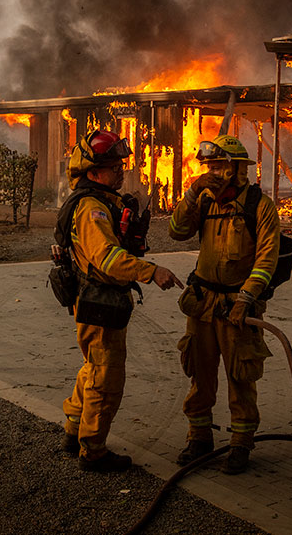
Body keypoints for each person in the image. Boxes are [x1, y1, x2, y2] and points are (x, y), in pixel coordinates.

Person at [59, 129, 183, 473]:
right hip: (99, 304)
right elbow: (108, 259)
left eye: (121, 165)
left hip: (96, 302)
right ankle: (93, 450)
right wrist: (150, 271)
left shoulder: (100, 203)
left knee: (92, 368)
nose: (121, 172)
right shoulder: (91, 210)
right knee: (106, 379)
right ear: (93, 173)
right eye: (114, 167)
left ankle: (73, 430)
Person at [168, 134, 281, 474]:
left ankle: (241, 443)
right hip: (202, 303)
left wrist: (247, 298)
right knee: (200, 375)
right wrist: (191, 192)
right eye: (209, 166)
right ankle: (198, 438)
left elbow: (267, 259)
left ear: (237, 169)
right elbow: (176, 231)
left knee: (240, 375)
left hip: (237, 307)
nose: (212, 172)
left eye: (218, 166)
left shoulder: (259, 206)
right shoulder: (204, 201)